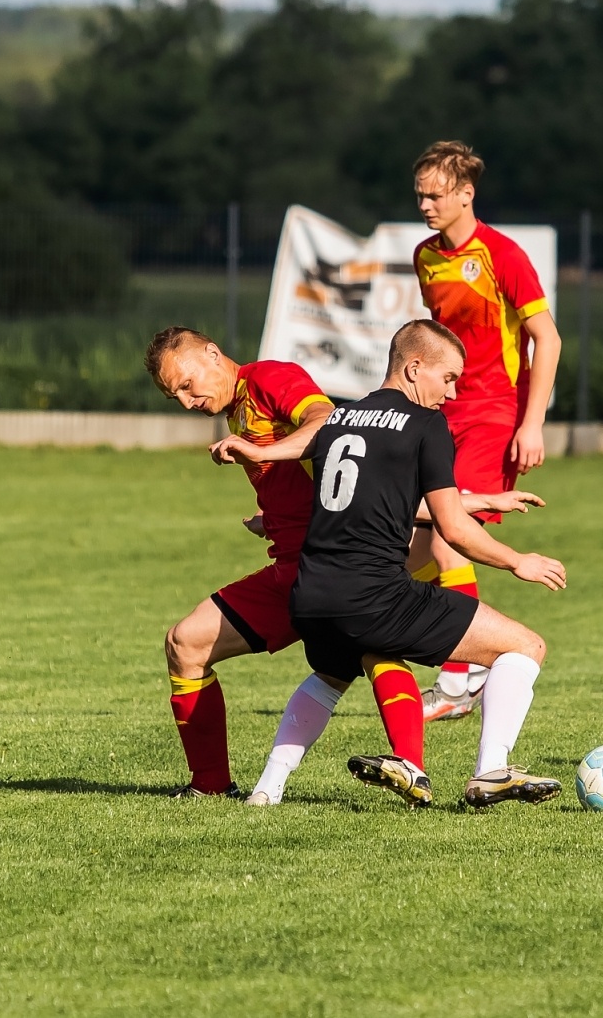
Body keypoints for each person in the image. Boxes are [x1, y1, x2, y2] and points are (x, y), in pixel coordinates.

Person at [145, 327, 541, 804]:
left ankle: (422, 747)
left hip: (318, 566)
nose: (188, 401)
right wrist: (276, 517)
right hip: (304, 568)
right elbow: (362, 481)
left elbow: (325, 422)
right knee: (186, 644)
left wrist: (263, 452)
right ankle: (212, 785)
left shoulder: (269, 379)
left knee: (365, 645)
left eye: (188, 385)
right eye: (176, 396)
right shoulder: (240, 411)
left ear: (212, 353)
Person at [249, 318, 566, 808]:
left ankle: (267, 789)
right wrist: (517, 560)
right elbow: (453, 530)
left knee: (330, 676)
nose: (454, 393)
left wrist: (480, 500)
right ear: (415, 368)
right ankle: (490, 771)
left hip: (312, 596)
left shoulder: (338, 419)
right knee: (525, 647)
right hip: (375, 596)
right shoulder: (426, 424)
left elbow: (377, 499)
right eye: (449, 378)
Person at [408, 141, 563, 721]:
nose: (426, 204)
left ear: (466, 193)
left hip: (496, 413)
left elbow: (547, 338)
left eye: (436, 194)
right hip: (441, 412)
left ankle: (458, 677)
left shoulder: (502, 254)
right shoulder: (425, 256)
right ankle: (423, 648)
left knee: (449, 534)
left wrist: (532, 422)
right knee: (416, 545)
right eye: (420, 194)